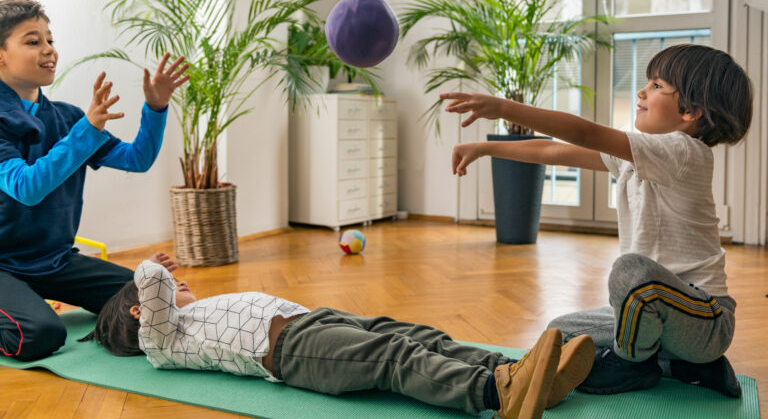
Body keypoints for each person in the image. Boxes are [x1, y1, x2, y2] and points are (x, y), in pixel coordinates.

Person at [442, 44, 752, 398]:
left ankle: (633, 365)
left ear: (691, 111)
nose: (642, 91)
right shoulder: (639, 157)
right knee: (562, 332)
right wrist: (485, 148)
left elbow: (585, 134)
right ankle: (685, 367)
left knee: (631, 272)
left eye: (657, 86)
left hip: (705, 320)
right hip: (663, 315)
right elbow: (555, 151)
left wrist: (502, 107)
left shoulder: (682, 151)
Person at [82, 254, 595, 419]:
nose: (180, 283)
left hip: (313, 320)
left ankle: (524, 370)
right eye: (174, 287)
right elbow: (150, 278)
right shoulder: (161, 341)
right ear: (141, 310)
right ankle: (497, 392)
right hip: (291, 353)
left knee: (415, 334)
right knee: (392, 356)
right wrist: (160, 273)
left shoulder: (189, 315)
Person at [0, 0, 189, 361]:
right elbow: (27, 188)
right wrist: (86, 131)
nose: (49, 50)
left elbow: (137, 159)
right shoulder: (75, 126)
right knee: (38, 336)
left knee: (159, 300)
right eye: (32, 41)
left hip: (53, 261)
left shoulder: (69, 119)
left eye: (50, 40)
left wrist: (156, 108)